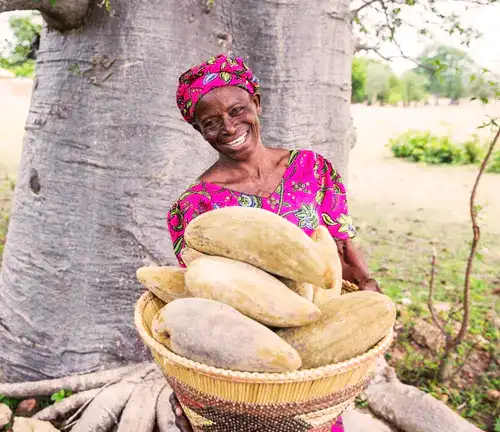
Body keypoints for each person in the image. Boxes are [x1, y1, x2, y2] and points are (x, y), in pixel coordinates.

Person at [166, 54, 381, 432]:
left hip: (313, 359)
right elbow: (202, 295)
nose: (229, 127)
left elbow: (342, 248)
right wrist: (191, 393)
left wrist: (370, 292)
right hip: (247, 369)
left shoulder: (312, 170)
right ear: (200, 131)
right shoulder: (193, 207)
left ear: (257, 104)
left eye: (237, 110)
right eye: (211, 123)